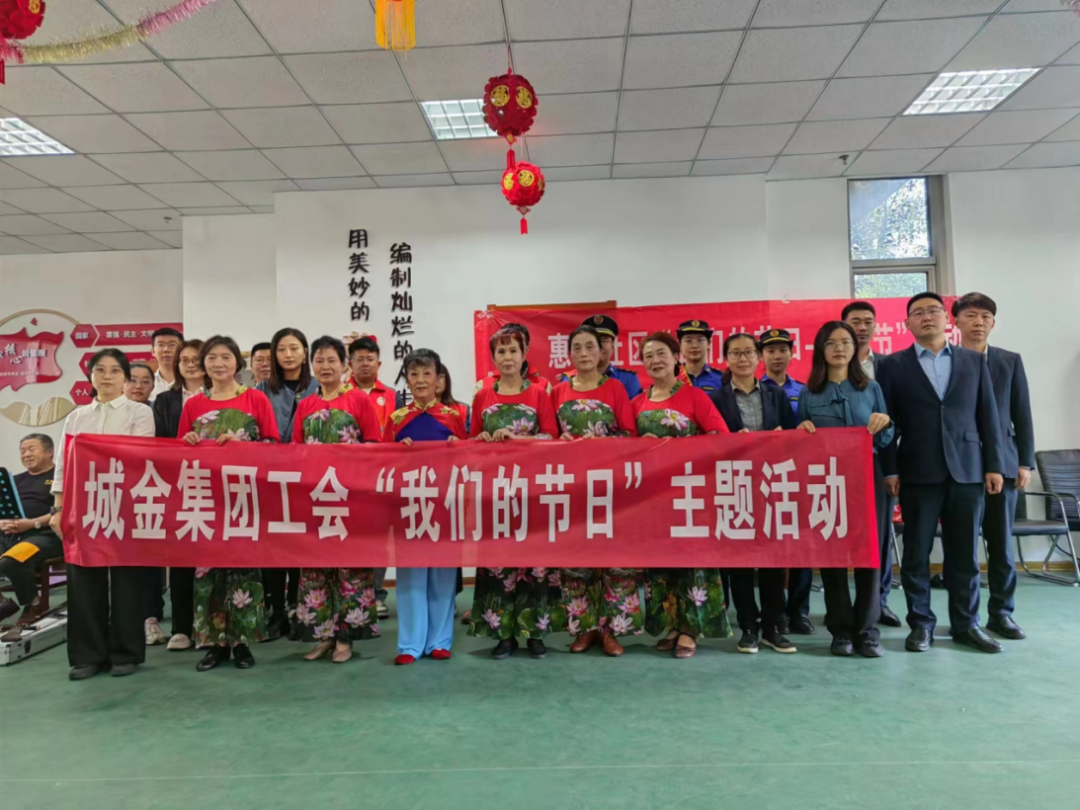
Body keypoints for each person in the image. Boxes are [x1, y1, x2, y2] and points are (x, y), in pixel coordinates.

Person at [877, 292, 1005, 654]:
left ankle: (967, 625)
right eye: (918, 313)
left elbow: (989, 416)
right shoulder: (892, 365)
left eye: (933, 310)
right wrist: (890, 470)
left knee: (964, 555)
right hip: (918, 471)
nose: (926, 317)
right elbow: (886, 423)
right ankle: (921, 625)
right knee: (916, 554)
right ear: (907, 324)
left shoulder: (973, 360)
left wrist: (994, 465)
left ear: (946, 319)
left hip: (968, 470)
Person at [49, 349, 156, 680]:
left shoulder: (140, 412)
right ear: (91, 376)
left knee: (126, 581)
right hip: (82, 507)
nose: (107, 376)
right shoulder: (77, 417)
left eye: (114, 371)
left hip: (125, 505)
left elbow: (139, 457)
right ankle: (88, 655)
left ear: (125, 378)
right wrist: (57, 508)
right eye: (100, 370)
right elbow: (63, 464)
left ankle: (126, 653)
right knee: (83, 581)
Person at [179, 336, 280, 671]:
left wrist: (243, 444)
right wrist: (188, 441)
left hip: (243, 495)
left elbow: (274, 446)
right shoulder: (193, 404)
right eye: (212, 358)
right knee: (207, 570)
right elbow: (177, 453)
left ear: (238, 362)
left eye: (225, 357)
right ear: (203, 364)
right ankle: (215, 644)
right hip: (205, 498)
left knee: (244, 568)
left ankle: (243, 643)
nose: (218, 363)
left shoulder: (256, 399)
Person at [797, 322, 894, 658]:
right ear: (820, 350)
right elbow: (800, 443)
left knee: (870, 552)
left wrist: (885, 424)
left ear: (855, 348)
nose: (839, 348)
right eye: (831, 343)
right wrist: (801, 429)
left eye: (846, 342)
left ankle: (867, 631)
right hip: (827, 479)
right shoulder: (809, 393)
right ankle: (840, 630)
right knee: (832, 553)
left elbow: (885, 439)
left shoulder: (871, 388)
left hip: (868, 475)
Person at [633, 331, 731, 658]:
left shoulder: (694, 396)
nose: (655, 361)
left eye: (661, 353)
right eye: (648, 356)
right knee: (660, 563)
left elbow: (720, 435)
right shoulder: (638, 402)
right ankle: (672, 625)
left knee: (691, 560)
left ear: (676, 358)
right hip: (652, 498)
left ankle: (691, 629)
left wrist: (676, 447)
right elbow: (624, 448)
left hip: (689, 492)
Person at [469, 327, 561, 660]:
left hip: (532, 488)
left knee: (536, 563)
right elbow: (471, 443)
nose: (507, 357)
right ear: (493, 359)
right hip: (495, 491)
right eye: (501, 352)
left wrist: (518, 439)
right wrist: (481, 440)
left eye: (513, 351)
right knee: (498, 562)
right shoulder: (482, 396)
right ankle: (503, 635)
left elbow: (551, 437)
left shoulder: (539, 394)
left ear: (524, 356)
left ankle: (535, 634)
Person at [550, 325, 640, 657]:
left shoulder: (615, 388)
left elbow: (630, 434)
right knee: (576, 559)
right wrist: (558, 440)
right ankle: (584, 629)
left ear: (601, 352)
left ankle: (611, 631)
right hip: (571, 485)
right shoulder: (558, 390)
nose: (584, 353)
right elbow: (546, 434)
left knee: (613, 559)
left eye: (591, 346)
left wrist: (602, 441)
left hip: (609, 484)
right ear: (569, 354)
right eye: (577, 347)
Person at [291, 336, 382, 663]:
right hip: (315, 498)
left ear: (344, 365)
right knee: (316, 568)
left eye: (332, 360)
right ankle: (324, 635)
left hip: (349, 497)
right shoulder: (305, 404)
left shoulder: (358, 399)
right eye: (319, 361)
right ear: (311, 366)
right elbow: (295, 450)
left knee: (350, 567)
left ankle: (346, 637)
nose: (325, 366)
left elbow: (374, 445)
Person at [710, 333, 798, 655]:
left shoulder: (776, 395)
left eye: (749, 352)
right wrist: (732, 440)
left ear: (758, 357)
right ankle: (748, 626)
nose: (743, 358)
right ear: (726, 359)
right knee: (740, 561)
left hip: (772, 483)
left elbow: (792, 436)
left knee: (774, 558)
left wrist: (783, 436)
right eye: (736, 353)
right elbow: (708, 441)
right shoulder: (716, 398)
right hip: (734, 484)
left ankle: (773, 627)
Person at [953, 292, 1033, 641]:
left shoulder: (1009, 361)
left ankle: (1001, 613)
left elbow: (1022, 413)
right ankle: (966, 618)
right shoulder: (949, 361)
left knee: (1001, 545)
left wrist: (1025, 462)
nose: (979, 322)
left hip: (1006, 464)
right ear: (956, 321)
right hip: (963, 465)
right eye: (971, 315)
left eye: (985, 316)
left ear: (993, 323)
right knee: (964, 548)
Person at [383, 348, 467, 665]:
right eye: (414, 374)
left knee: (443, 574)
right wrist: (395, 451)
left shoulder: (453, 417)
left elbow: (469, 462)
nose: (420, 380)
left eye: (426, 373)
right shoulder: (395, 420)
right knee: (410, 577)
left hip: (444, 504)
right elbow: (381, 465)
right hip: (408, 505)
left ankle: (439, 641)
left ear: (438, 379)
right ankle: (409, 645)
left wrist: (458, 448)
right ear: (406, 379)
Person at [257, 328, 319, 641]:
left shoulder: (319, 387)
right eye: (282, 349)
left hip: (308, 480)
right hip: (270, 479)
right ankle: (277, 612)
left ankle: (298, 609)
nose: (288, 355)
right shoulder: (261, 389)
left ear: (305, 352)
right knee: (273, 547)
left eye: (295, 348)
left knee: (300, 546)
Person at [842, 300, 900, 626]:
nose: (862, 327)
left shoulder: (889, 367)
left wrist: (891, 470)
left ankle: (880, 602)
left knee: (880, 536)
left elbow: (894, 420)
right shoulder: (828, 371)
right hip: (840, 468)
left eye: (867, 321)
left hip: (880, 462)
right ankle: (845, 608)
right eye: (855, 321)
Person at [758, 328, 813, 634]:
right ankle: (775, 611)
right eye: (770, 350)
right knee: (772, 548)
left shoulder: (804, 390)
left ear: (792, 353)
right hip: (763, 477)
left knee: (802, 545)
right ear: (761, 356)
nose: (777, 356)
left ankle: (799, 612)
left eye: (782, 350)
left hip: (797, 475)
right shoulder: (755, 390)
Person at [152, 339, 205, 651]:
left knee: (214, 559)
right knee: (182, 558)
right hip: (179, 486)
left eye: (197, 358)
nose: (191, 364)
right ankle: (182, 627)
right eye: (184, 359)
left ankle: (211, 627)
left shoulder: (223, 396)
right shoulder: (164, 400)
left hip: (219, 487)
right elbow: (159, 443)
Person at [345, 333, 398, 618]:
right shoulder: (340, 394)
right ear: (349, 363)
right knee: (351, 537)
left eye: (370, 359)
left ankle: (376, 594)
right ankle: (353, 594)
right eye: (359, 359)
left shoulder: (393, 396)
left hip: (382, 478)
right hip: (346, 479)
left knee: (378, 538)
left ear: (379, 363)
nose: (365, 364)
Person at [0, 434, 60, 626]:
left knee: (12, 560)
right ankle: (3, 603)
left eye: (31, 449)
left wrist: (32, 523)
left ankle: (34, 604)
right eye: (23, 451)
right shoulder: (14, 480)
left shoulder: (60, 478)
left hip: (45, 535)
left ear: (49, 452)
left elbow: (64, 511)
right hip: (11, 535)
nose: (26, 454)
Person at [562, 315, 643, 400]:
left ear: (613, 346)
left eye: (604, 340)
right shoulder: (568, 380)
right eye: (593, 343)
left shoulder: (628, 379)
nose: (599, 346)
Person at [677, 319, 724, 393]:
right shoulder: (671, 377)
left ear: (709, 343)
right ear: (680, 345)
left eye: (700, 340)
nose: (694, 346)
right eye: (688, 341)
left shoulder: (721, 379)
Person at [842, 301, 881, 381]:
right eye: (856, 323)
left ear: (874, 327)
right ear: (844, 326)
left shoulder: (886, 363)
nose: (862, 328)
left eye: (868, 322)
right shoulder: (836, 363)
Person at [150, 327, 183, 401]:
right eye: (161, 345)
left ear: (181, 350)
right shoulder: (148, 383)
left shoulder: (190, 381)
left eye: (172, 345)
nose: (166, 350)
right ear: (153, 351)